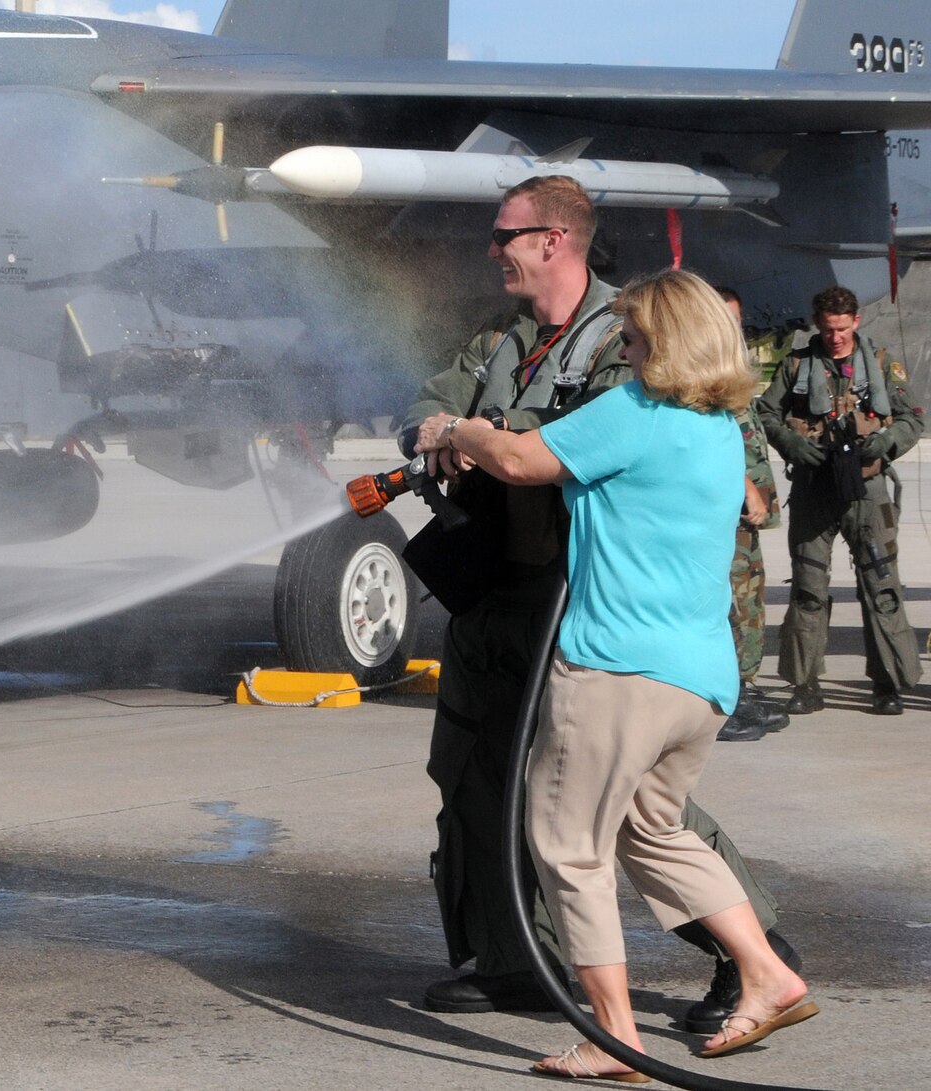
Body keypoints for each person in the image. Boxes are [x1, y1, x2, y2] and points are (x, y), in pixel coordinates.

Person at [399, 176, 792, 1021]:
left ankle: (750, 950)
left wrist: (484, 442)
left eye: (505, 234)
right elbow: (434, 402)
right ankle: (510, 957)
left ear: (554, 240)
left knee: (629, 802)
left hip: (590, 599)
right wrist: (436, 433)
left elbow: (743, 469)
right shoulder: (502, 340)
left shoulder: (639, 335)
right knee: (473, 769)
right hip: (496, 587)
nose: (493, 248)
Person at [755, 285, 922, 715]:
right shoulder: (797, 366)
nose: (836, 337)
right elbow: (767, 414)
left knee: (881, 588)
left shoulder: (881, 364)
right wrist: (793, 445)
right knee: (809, 589)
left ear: (856, 322)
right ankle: (805, 682)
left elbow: (911, 418)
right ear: (818, 324)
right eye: (828, 329)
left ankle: (888, 683)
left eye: (843, 329)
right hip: (815, 491)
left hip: (868, 491)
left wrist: (885, 443)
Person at [713, 287, 790, 742]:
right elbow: (716, 438)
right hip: (728, 508)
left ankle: (743, 687)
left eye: (736, 321)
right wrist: (745, 489)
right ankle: (728, 698)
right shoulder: (707, 377)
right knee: (732, 603)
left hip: (747, 513)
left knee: (751, 599)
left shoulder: (732, 370)